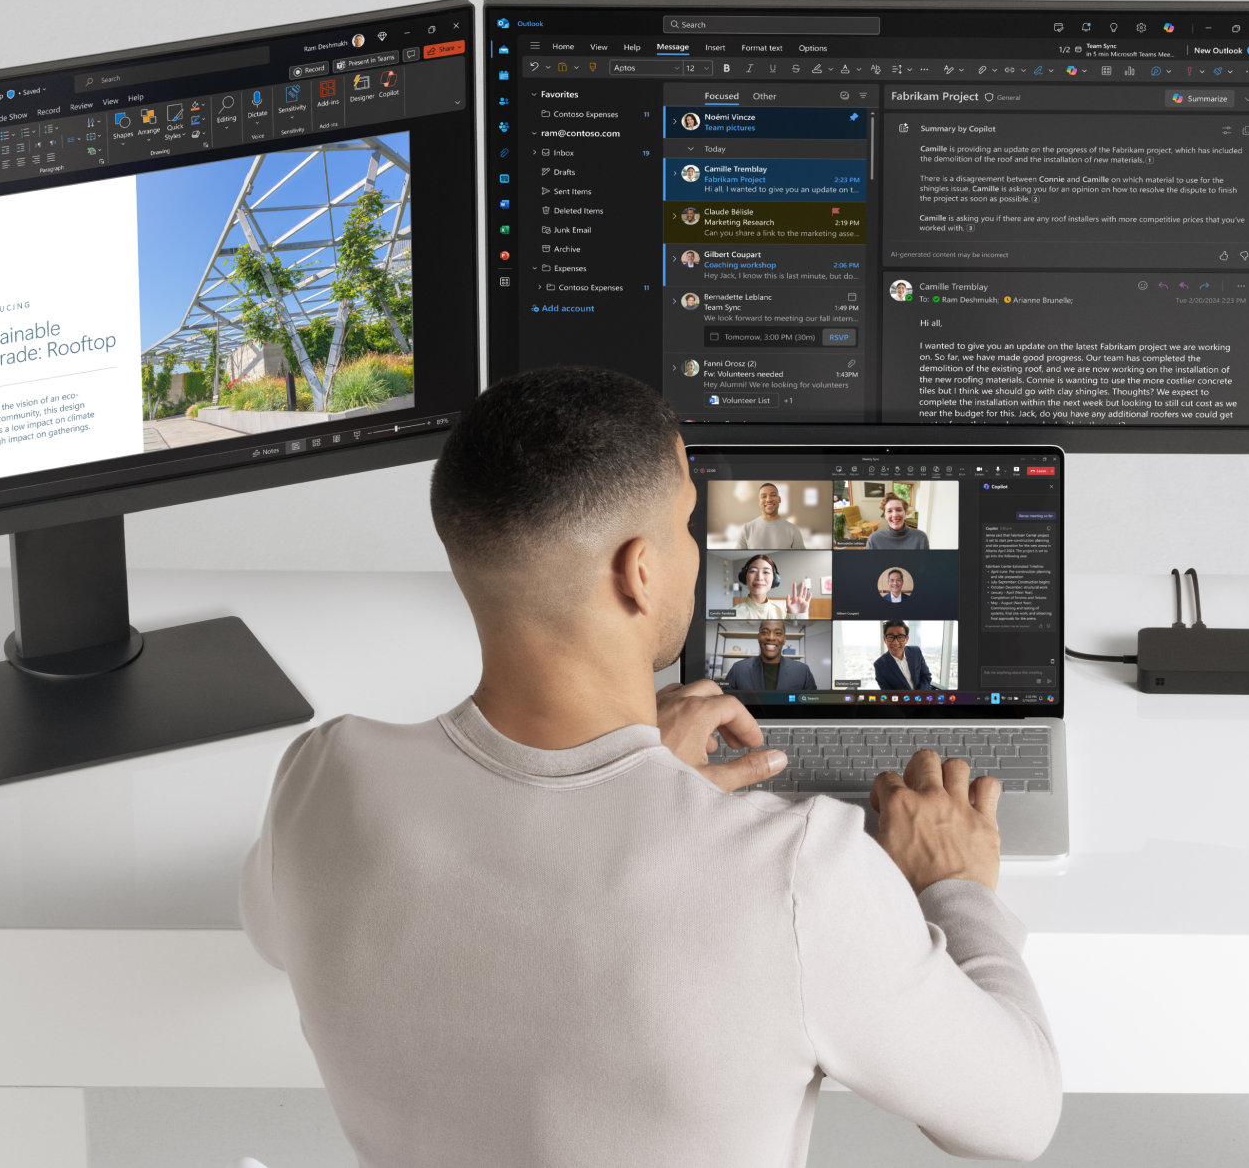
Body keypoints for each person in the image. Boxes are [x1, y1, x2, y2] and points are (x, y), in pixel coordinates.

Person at [240, 367, 1059, 1166]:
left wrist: (633, 785)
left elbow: (275, 935)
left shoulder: (321, 780)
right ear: (639, 571)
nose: (698, 549)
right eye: (688, 523)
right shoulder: (799, 872)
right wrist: (956, 888)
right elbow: (1018, 1118)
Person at [724, 620, 818, 693]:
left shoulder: (802, 671)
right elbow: (724, 704)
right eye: (765, 632)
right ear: (758, 637)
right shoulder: (738, 669)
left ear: (784, 639)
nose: (771, 637)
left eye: (778, 633)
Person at [734, 553, 811, 619]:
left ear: (774, 579)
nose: (759, 577)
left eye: (766, 572)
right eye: (753, 571)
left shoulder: (784, 611)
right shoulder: (731, 614)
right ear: (745, 576)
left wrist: (798, 616)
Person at [739, 482, 806, 550]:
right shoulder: (746, 529)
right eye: (764, 496)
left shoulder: (793, 530)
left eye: (773, 495)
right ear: (759, 502)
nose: (769, 499)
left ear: (779, 499)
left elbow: (802, 558)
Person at [873, 620, 934, 691]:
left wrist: (918, 696)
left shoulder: (916, 651)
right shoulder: (879, 665)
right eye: (890, 637)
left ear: (906, 639)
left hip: (923, 697)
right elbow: (888, 694)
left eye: (900, 637)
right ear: (885, 639)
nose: (895, 642)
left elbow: (926, 676)